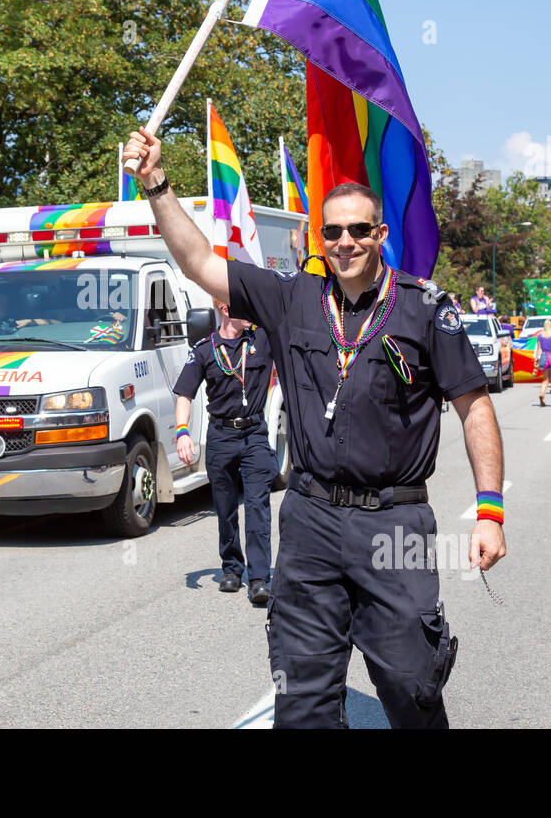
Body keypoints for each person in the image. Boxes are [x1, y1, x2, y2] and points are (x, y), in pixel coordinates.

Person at [123, 127, 505, 729]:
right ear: (317, 237)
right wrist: (156, 185)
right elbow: (198, 261)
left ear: (380, 235)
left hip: (393, 524)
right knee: (302, 700)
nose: (345, 241)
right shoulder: (291, 297)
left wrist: (489, 510)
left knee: (411, 688)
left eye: (359, 229)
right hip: (309, 522)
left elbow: (474, 407)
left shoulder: (427, 308)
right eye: (333, 230)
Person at [172, 299, 276, 603]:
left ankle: (259, 578)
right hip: (220, 435)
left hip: (254, 433)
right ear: (226, 310)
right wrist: (182, 433)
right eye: (246, 307)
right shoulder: (204, 350)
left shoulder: (262, 339)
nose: (253, 314)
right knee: (226, 506)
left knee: (257, 505)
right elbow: (184, 395)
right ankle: (232, 568)